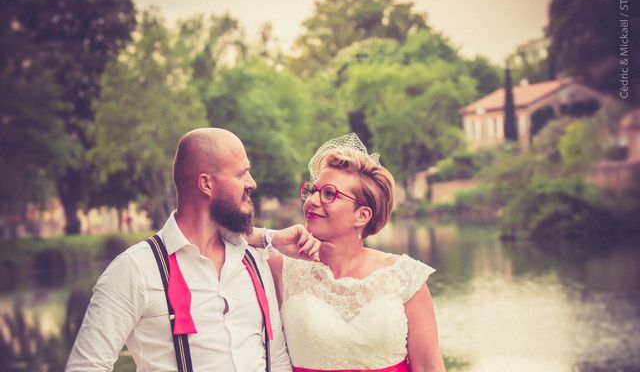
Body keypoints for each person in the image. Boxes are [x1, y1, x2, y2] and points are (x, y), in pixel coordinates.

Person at [66, 128, 318, 372]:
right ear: (206, 184)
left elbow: (277, 361)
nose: (251, 183)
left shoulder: (254, 261)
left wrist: (269, 238)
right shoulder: (135, 270)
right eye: (241, 174)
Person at [262, 133, 447, 372]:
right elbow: (214, 239)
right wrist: (268, 237)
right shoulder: (279, 269)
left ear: (362, 215)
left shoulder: (405, 278)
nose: (313, 201)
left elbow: (428, 368)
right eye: (313, 191)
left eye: (329, 194)